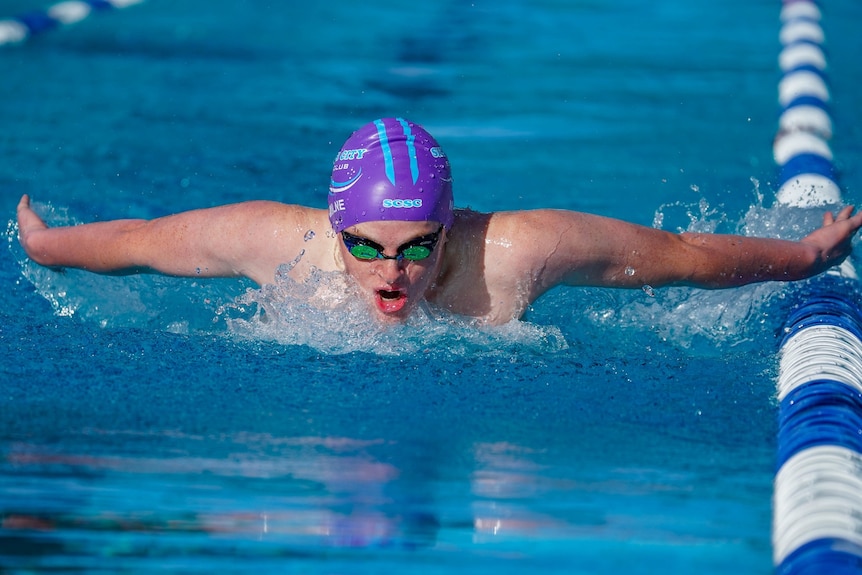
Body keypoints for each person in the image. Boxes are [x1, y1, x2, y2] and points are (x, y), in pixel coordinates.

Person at [16, 117, 862, 326]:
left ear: (448, 227)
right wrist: (47, 246)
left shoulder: (515, 252)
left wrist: (802, 254)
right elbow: (140, 242)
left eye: (418, 246)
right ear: (334, 226)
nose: (394, 273)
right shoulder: (276, 242)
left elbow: (679, 254)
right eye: (368, 248)